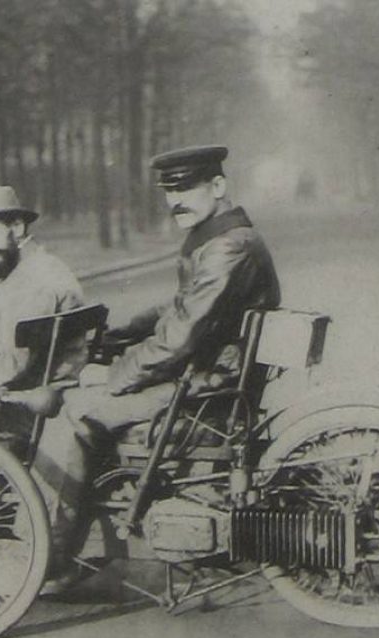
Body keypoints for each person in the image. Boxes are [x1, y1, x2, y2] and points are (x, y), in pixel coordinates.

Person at [34, 145, 281, 593]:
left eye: (185, 189)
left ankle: (51, 558)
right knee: (88, 398)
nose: (174, 201)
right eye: (170, 192)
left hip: (207, 391)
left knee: (77, 413)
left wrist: (114, 374)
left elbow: (180, 338)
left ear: (218, 186)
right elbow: (180, 308)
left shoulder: (228, 248)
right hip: (211, 380)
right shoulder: (221, 239)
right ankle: (92, 535)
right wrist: (118, 334)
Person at [0, 184, 85, 392]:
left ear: (17, 227)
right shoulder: (27, 266)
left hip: (41, 392)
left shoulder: (33, 279)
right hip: (40, 383)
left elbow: (12, 366)